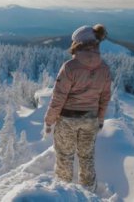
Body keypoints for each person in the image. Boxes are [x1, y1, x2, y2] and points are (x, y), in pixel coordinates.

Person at [44, 24, 111, 192]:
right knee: (86, 157)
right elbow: (104, 97)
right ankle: (89, 193)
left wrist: (49, 121)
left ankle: (63, 192)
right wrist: (100, 119)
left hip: (67, 119)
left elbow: (59, 97)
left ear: (78, 44)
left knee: (65, 157)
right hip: (90, 119)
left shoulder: (70, 67)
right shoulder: (104, 69)